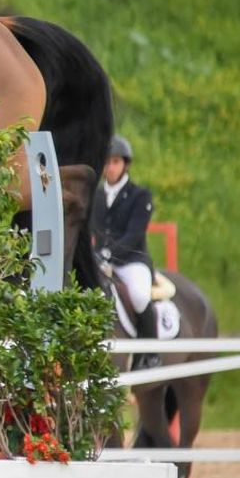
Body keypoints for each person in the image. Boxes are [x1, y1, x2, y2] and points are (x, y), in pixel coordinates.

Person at [90, 135, 159, 340]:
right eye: (106, 162)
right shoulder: (95, 196)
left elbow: (134, 235)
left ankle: (150, 350)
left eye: (115, 162)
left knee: (139, 296)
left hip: (131, 261)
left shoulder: (140, 195)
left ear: (125, 164)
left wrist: (108, 253)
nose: (110, 168)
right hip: (100, 261)